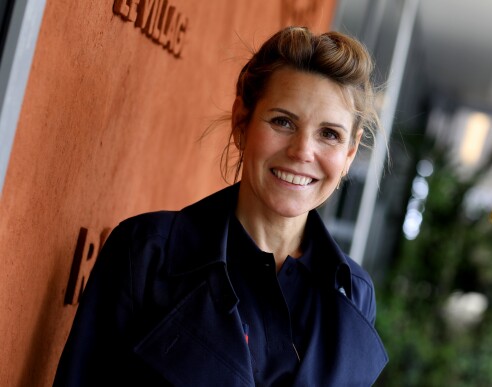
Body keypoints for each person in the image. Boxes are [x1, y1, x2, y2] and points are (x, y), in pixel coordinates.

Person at [53, 26, 388, 387]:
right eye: (283, 121)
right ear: (241, 123)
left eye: (329, 134)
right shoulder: (146, 253)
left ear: (350, 153)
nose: (302, 151)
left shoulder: (353, 293)